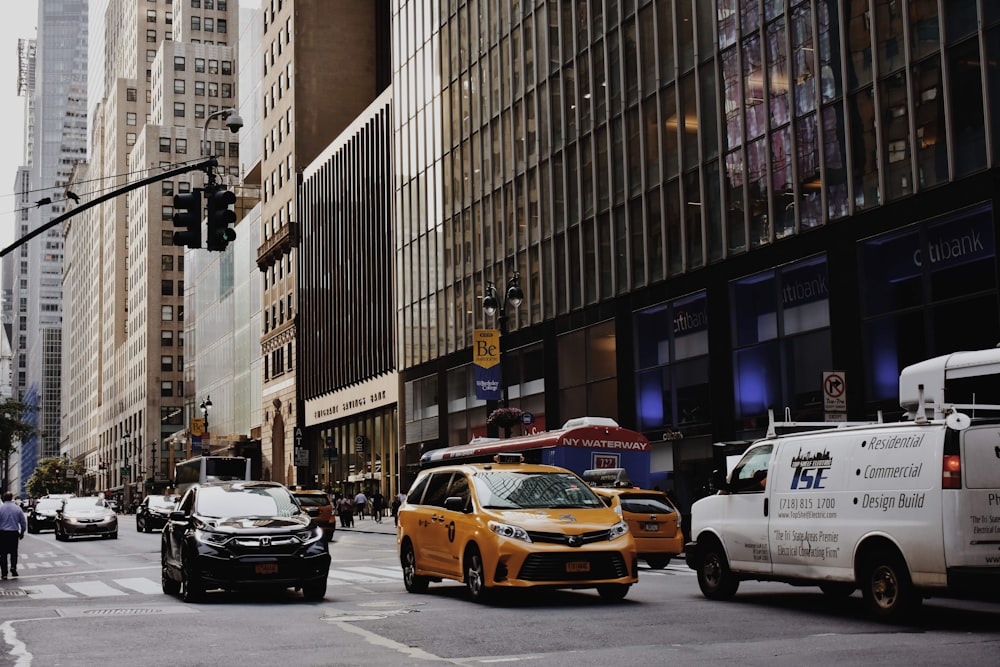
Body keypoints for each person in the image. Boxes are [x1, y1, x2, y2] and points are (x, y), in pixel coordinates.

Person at [0, 492, 28, 580]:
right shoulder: (17, 508)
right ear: (12, 498)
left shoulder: (1, 508)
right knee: (14, 552)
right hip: (13, 533)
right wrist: (22, 531)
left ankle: (4, 572)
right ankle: (13, 567)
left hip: (3, 533)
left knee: (3, 554)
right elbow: (23, 522)